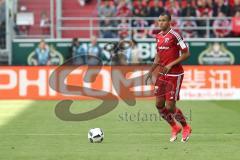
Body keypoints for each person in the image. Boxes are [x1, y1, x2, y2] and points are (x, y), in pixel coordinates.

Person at [145, 12, 192, 143]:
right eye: (159, 20)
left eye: (164, 20)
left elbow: (186, 53)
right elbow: (158, 55)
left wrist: (171, 64)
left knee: (170, 106)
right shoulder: (158, 36)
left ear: (169, 21)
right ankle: (174, 127)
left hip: (175, 74)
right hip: (162, 73)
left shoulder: (175, 36)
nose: (161, 23)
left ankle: (186, 127)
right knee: (159, 104)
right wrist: (151, 71)